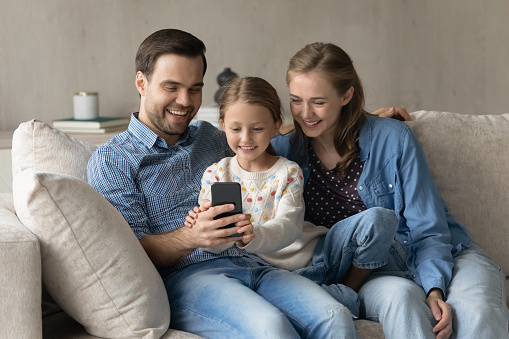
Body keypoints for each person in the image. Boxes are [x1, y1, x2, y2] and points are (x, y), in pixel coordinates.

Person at [88, 29, 369, 339]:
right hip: (190, 280)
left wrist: (355, 122)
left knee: (335, 317)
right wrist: (191, 236)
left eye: (195, 88)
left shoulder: (209, 136)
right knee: (270, 328)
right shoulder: (114, 159)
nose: (185, 101)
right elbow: (129, 252)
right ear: (141, 82)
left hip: (254, 262)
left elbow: (259, 134)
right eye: (172, 87)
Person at [271, 42, 509, 339]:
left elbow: (430, 228)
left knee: (476, 314)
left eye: (318, 102)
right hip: (377, 272)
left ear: (346, 95)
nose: (305, 113)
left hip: (445, 252)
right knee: (403, 301)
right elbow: (239, 142)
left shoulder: (393, 139)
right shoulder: (284, 154)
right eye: (296, 100)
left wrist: (434, 289)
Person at [187, 76, 399, 317]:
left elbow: (289, 225)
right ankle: (340, 297)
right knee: (336, 309)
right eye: (236, 129)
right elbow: (219, 246)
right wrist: (202, 228)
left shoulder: (287, 171)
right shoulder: (216, 174)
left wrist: (254, 234)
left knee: (381, 219)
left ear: (275, 126)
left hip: (322, 252)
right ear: (223, 124)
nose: (246, 138)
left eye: (257, 128)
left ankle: (350, 288)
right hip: (285, 277)